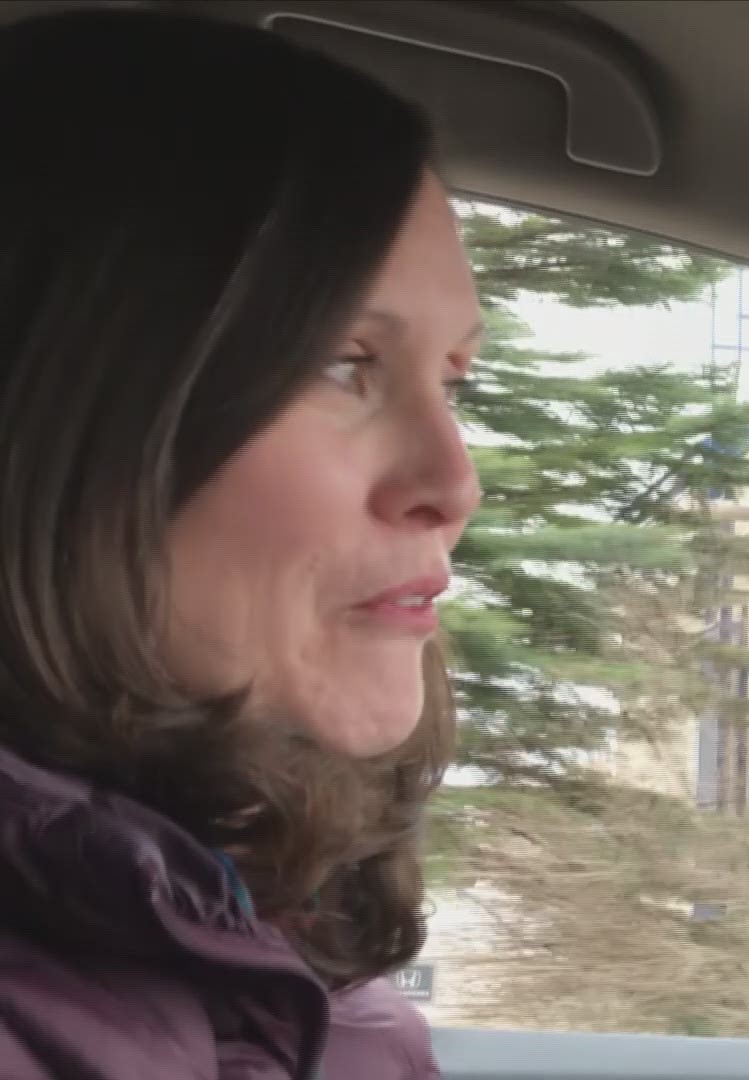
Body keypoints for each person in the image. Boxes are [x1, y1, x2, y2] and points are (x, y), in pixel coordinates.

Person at [0, 8, 482, 1078]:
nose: (455, 485)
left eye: (456, 381)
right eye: (343, 365)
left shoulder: (290, 962)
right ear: (68, 412)